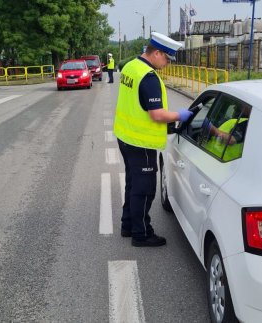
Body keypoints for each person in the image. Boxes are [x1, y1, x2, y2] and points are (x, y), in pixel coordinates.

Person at [113, 32, 193, 247]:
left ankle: (128, 225)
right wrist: (179, 115)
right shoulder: (149, 77)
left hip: (125, 137)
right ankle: (142, 234)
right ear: (156, 53)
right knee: (144, 190)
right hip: (142, 144)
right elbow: (156, 115)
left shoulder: (131, 66)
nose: (167, 64)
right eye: (167, 59)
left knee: (132, 184)